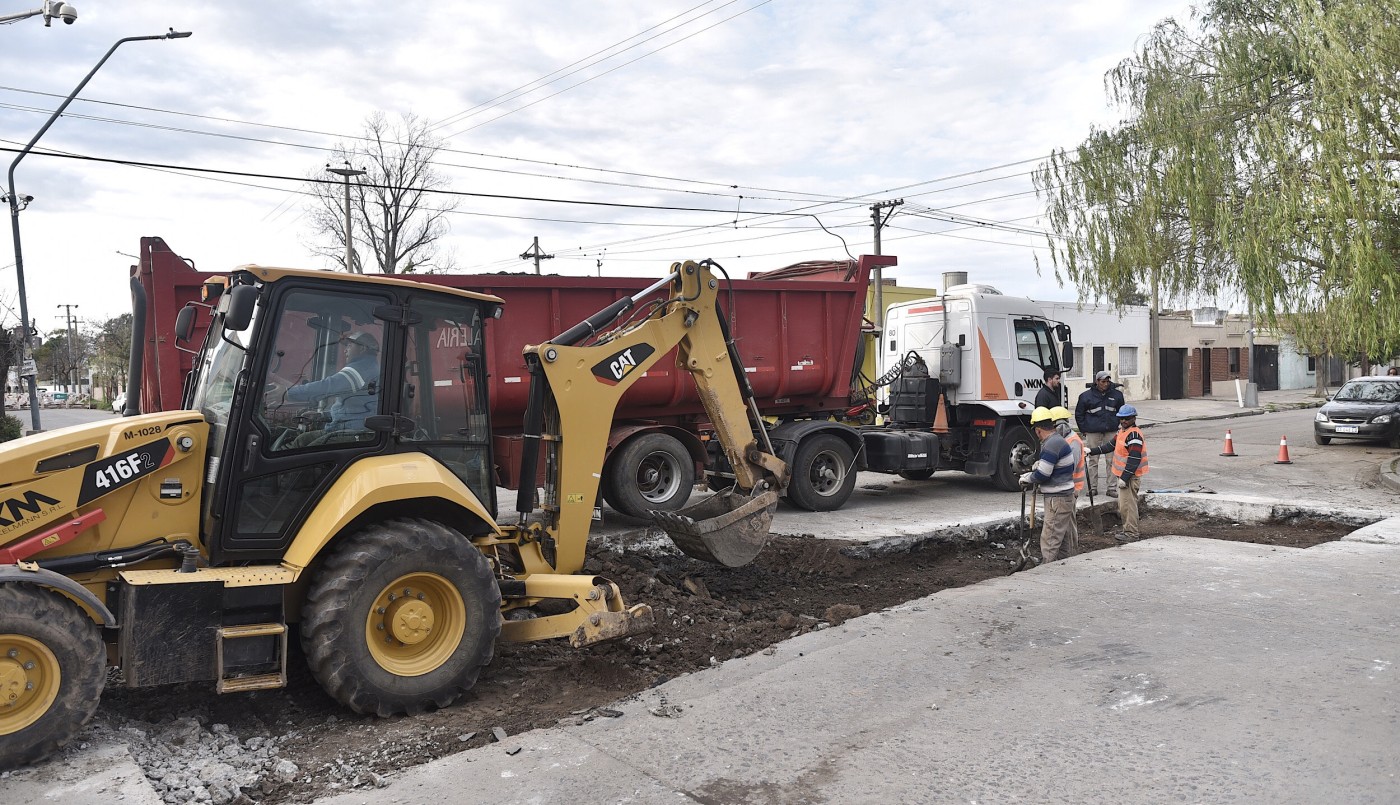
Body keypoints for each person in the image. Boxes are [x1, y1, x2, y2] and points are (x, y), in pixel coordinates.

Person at [285, 330, 381, 443]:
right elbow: (353, 408)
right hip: (345, 428)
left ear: (363, 348)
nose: (345, 350)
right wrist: (322, 415)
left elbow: (328, 386)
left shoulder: (362, 368)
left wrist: (288, 393)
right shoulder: (366, 368)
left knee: (305, 451)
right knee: (301, 440)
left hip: (355, 432)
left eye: (349, 346)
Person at [1019, 407, 1077, 564]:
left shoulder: (1051, 444)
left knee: (1050, 539)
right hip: (1064, 496)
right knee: (1062, 538)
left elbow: (1043, 474)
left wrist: (1028, 478)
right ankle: (1063, 566)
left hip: (1057, 499)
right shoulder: (1058, 440)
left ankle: (1047, 570)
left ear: (1038, 430)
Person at [1086, 404, 1149, 542]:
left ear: (1133, 418)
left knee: (1128, 506)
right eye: (1121, 418)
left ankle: (1131, 534)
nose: (1123, 421)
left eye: (1126, 418)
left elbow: (1134, 458)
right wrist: (1092, 451)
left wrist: (1125, 478)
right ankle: (1129, 530)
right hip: (1125, 476)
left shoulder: (1134, 435)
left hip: (1130, 477)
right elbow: (1110, 446)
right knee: (1124, 505)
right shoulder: (1122, 432)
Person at [1075, 370, 1126, 499]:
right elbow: (1079, 414)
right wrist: (1084, 429)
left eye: (1108, 381)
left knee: (1112, 460)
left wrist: (1120, 427)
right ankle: (1092, 488)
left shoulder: (1117, 395)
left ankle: (1111, 488)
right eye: (1103, 381)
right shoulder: (1086, 396)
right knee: (1093, 460)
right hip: (1093, 432)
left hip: (1111, 431)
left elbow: (1122, 412)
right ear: (1097, 382)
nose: (1106, 384)